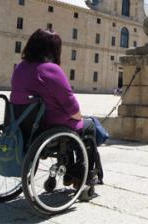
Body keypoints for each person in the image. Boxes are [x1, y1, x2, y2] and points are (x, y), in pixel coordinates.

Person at [10, 28, 102, 184]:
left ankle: (70, 171)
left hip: (22, 124)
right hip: (47, 126)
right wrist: (80, 117)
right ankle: (83, 175)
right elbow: (72, 107)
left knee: (75, 128)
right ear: (54, 50)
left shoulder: (20, 67)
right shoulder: (50, 69)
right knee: (90, 126)